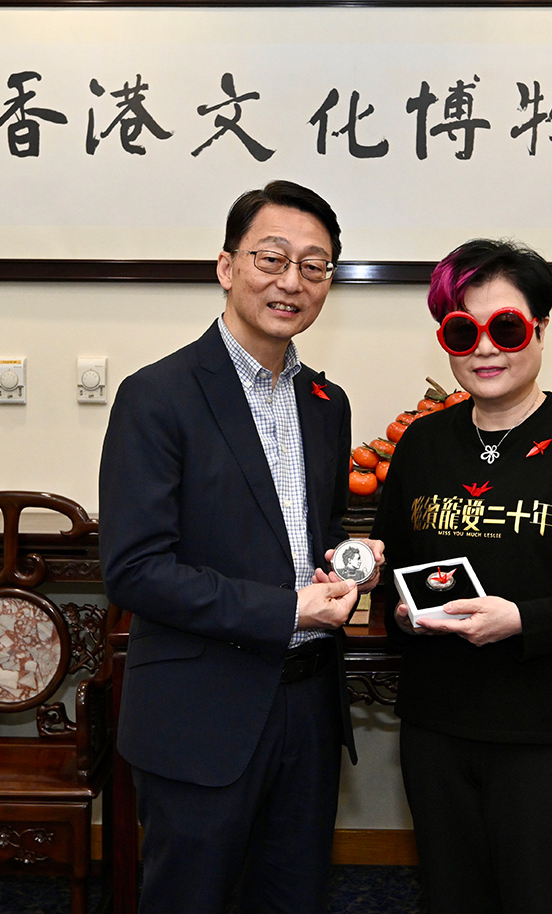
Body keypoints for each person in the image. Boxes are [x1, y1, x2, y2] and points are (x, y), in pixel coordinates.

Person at [99, 180, 384, 914]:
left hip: (308, 708)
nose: (292, 281)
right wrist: (288, 608)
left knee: (293, 898)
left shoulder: (327, 403)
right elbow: (135, 570)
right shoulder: (156, 395)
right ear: (227, 267)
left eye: (314, 266)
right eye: (272, 258)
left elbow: (316, 531)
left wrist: (347, 562)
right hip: (200, 711)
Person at [369, 238, 552, 914]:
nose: (484, 348)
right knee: (450, 896)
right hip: (437, 723)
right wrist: (403, 612)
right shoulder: (422, 444)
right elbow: (396, 567)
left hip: (548, 730)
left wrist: (521, 620)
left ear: (539, 329)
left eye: (505, 328)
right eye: (462, 330)